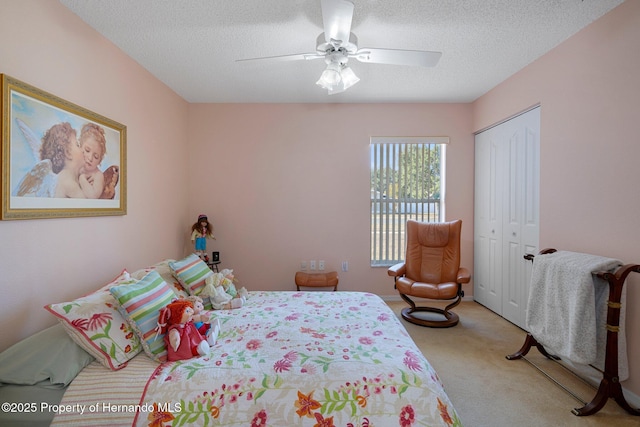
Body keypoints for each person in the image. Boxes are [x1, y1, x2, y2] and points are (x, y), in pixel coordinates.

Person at [39, 122, 86, 198]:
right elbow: (86, 206)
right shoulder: (67, 179)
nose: (83, 150)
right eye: (77, 145)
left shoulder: (65, 177)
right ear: (68, 153)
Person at [78, 123, 107, 199]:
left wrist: (82, 179)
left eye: (96, 156)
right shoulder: (76, 167)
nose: (90, 158)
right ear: (80, 146)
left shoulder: (98, 175)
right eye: (87, 150)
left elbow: (93, 196)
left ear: (99, 160)